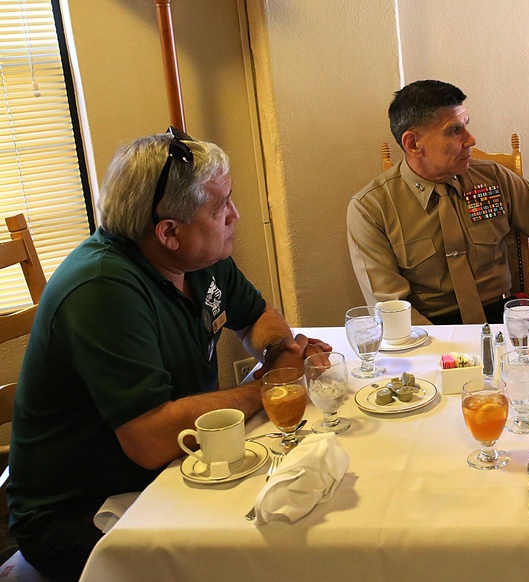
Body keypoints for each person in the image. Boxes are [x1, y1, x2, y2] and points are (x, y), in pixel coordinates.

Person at [7, 129, 328, 580]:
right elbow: (151, 439)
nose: (235, 216)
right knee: (281, 555)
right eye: (220, 208)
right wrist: (269, 386)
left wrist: (279, 351)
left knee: (308, 511)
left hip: (178, 468)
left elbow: (258, 316)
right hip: (84, 514)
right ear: (169, 232)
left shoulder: (200, 258)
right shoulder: (102, 289)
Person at [348, 80, 529, 326]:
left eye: (466, 125)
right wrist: (450, 355)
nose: (471, 139)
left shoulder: (493, 178)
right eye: (454, 130)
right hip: (432, 331)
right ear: (413, 144)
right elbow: (393, 310)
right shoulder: (371, 209)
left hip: (506, 321)